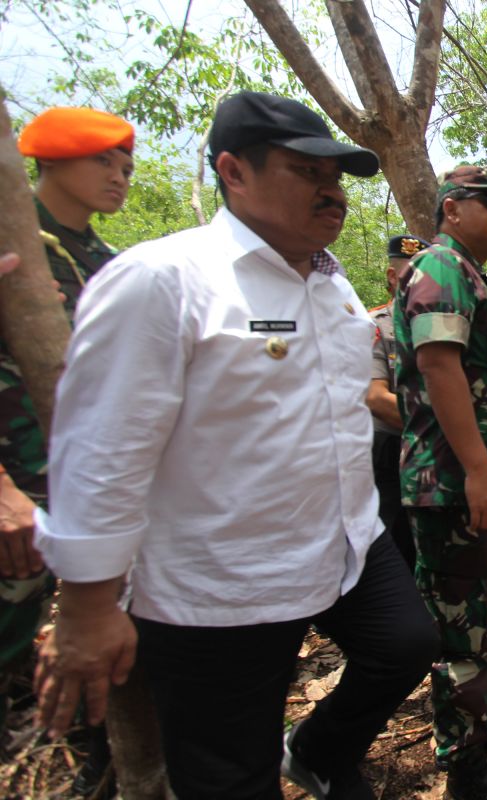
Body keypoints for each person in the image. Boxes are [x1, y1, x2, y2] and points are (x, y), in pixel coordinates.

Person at [31, 90, 440, 800]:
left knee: (406, 645)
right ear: (234, 172)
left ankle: (315, 752)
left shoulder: (330, 284)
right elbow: (101, 453)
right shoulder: (164, 281)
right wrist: (91, 606)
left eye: (336, 178)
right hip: (222, 583)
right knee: (230, 772)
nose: (331, 191)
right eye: (306, 171)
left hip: (341, 542)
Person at [391, 164, 487, 800]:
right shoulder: (443, 269)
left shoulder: (473, 274)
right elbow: (440, 368)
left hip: (477, 487)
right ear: (452, 209)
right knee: (461, 632)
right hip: (456, 488)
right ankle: (466, 770)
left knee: (477, 619)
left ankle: (475, 724)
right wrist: (480, 473)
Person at [2, 105, 134, 793]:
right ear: (49, 158)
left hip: (90, 505)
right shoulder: (11, 240)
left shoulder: (108, 264)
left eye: (125, 165)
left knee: (90, 676)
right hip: (19, 505)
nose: (119, 176)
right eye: (102, 160)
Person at [367, 233, 428, 568]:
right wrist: (438, 424)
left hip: (433, 452)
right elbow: (376, 397)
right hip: (392, 448)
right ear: (393, 277)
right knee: (394, 536)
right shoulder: (374, 325)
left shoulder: (436, 323)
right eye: (411, 274)